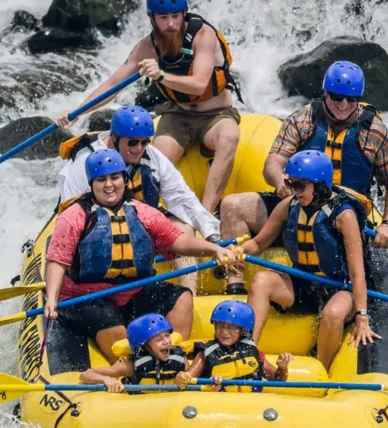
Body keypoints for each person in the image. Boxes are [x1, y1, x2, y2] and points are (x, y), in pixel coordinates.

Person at [218, 61, 388, 294]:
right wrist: (280, 183)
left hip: (342, 215)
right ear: (325, 92)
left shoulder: (376, 132)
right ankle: (234, 285)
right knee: (232, 205)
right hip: (300, 201)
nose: (344, 104)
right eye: (337, 96)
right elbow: (273, 161)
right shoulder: (303, 119)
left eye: (352, 98)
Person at [45, 149, 236, 364]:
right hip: (88, 297)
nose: (109, 185)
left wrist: (215, 249)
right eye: (101, 180)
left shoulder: (143, 213)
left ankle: (173, 358)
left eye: (115, 177)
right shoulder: (75, 216)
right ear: (91, 184)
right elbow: (57, 260)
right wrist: (51, 299)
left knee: (181, 296)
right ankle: (133, 368)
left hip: (134, 292)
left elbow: (179, 242)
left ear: (124, 180)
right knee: (108, 319)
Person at [55, 0, 242, 214]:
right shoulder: (146, 47)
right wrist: (77, 112)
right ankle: (136, 216)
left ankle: (207, 214)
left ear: (184, 15)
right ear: (153, 19)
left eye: (175, 16)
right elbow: (112, 85)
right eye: (163, 18)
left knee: (229, 136)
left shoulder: (203, 35)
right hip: (176, 115)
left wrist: (161, 75)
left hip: (216, 115)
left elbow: (199, 84)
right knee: (149, 160)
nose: (171, 24)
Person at [235, 151, 381, 372]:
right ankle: (248, 355)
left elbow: (357, 271)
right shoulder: (289, 205)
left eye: (300, 186)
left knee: (332, 313)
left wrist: (362, 316)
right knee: (261, 280)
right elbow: (257, 244)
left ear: (320, 186)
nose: (294, 191)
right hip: (303, 284)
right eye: (291, 184)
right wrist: (236, 251)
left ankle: (320, 371)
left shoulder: (344, 216)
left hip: (339, 287)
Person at [57, 105, 221, 291]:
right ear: (115, 138)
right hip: (99, 228)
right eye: (133, 142)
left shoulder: (151, 156)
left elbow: (182, 198)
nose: (139, 148)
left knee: (184, 227)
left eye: (145, 142)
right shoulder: (86, 161)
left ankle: (188, 297)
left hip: (143, 222)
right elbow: (70, 213)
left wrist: (211, 234)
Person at [177, 300, 292, 392]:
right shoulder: (205, 353)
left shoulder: (251, 350)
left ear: (242, 330)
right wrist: (183, 377)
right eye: (221, 326)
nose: (225, 332)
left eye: (231, 327)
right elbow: (186, 380)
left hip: (251, 407)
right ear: (215, 327)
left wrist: (282, 367)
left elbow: (278, 380)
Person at [80, 313, 190, 392]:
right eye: (158, 339)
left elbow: (192, 377)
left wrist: (184, 377)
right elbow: (85, 375)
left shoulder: (179, 359)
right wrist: (106, 380)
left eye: (167, 335)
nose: (166, 342)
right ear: (143, 347)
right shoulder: (130, 366)